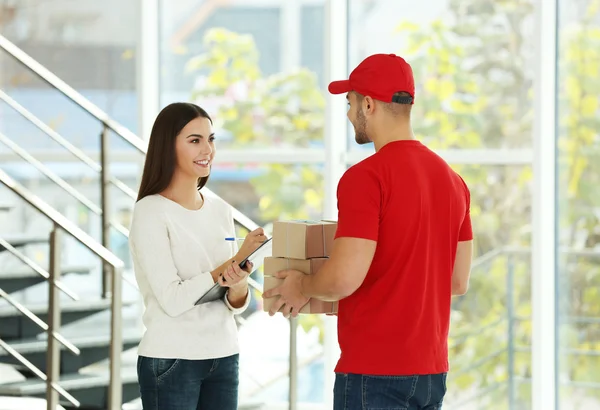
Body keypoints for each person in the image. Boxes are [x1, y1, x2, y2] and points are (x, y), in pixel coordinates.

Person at [263, 54, 473, 410]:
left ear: (369, 104)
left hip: (374, 376)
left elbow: (343, 278)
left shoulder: (366, 178)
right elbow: (456, 282)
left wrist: (303, 286)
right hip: (431, 374)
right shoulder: (453, 181)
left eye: (350, 103)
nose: (348, 114)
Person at [129, 102, 265, 409]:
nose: (208, 150)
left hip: (223, 354)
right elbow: (173, 299)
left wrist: (239, 278)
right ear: (168, 147)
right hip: (172, 360)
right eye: (195, 140)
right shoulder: (150, 211)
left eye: (211, 139)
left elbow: (232, 302)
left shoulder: (219, 209)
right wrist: (231, 263)